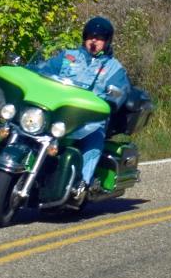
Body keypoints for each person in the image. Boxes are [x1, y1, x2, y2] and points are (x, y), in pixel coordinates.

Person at [31, 16, 130, 203]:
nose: (94, 41)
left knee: (94, 142)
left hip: (90, 121)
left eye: (99, 38)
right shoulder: (68, 57)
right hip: (59, 112)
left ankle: (81, 184)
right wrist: (35, 72)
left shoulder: (114, 68)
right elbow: (44, 69)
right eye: (91, 36)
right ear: (84, 38)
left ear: (107, 42)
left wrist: (112, 100)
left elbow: (121, 91)